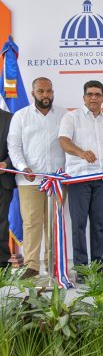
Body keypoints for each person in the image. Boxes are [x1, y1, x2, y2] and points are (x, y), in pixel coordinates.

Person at [7, 77, 66, 279]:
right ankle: (32, 266)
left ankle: (54, 265)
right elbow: (13, 147)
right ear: (33, 93)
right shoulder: (21, 116)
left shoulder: (64, 115)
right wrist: (23, 168)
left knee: (54, 224)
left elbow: (69, 144)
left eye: (49, 91)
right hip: (29, 180)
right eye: (41, 91)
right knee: (32, 223)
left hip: (56, 180)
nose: (45, 95)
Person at [59, 80, 103, 283]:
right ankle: (81, 269)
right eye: (90, 94)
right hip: (79, 178)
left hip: (101, 178)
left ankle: (97, 266)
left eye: (97, 94)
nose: (93, 98)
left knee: (99, 224)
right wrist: (81, 153)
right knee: (79, 225)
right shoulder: (71, 117)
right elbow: (63, 141)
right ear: (83, 97)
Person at [0, 108, 16, 269]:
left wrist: (6, 163)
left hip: (3, 179)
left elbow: (18, 146)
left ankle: (2, 263)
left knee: (2, 222)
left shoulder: (10, 118)